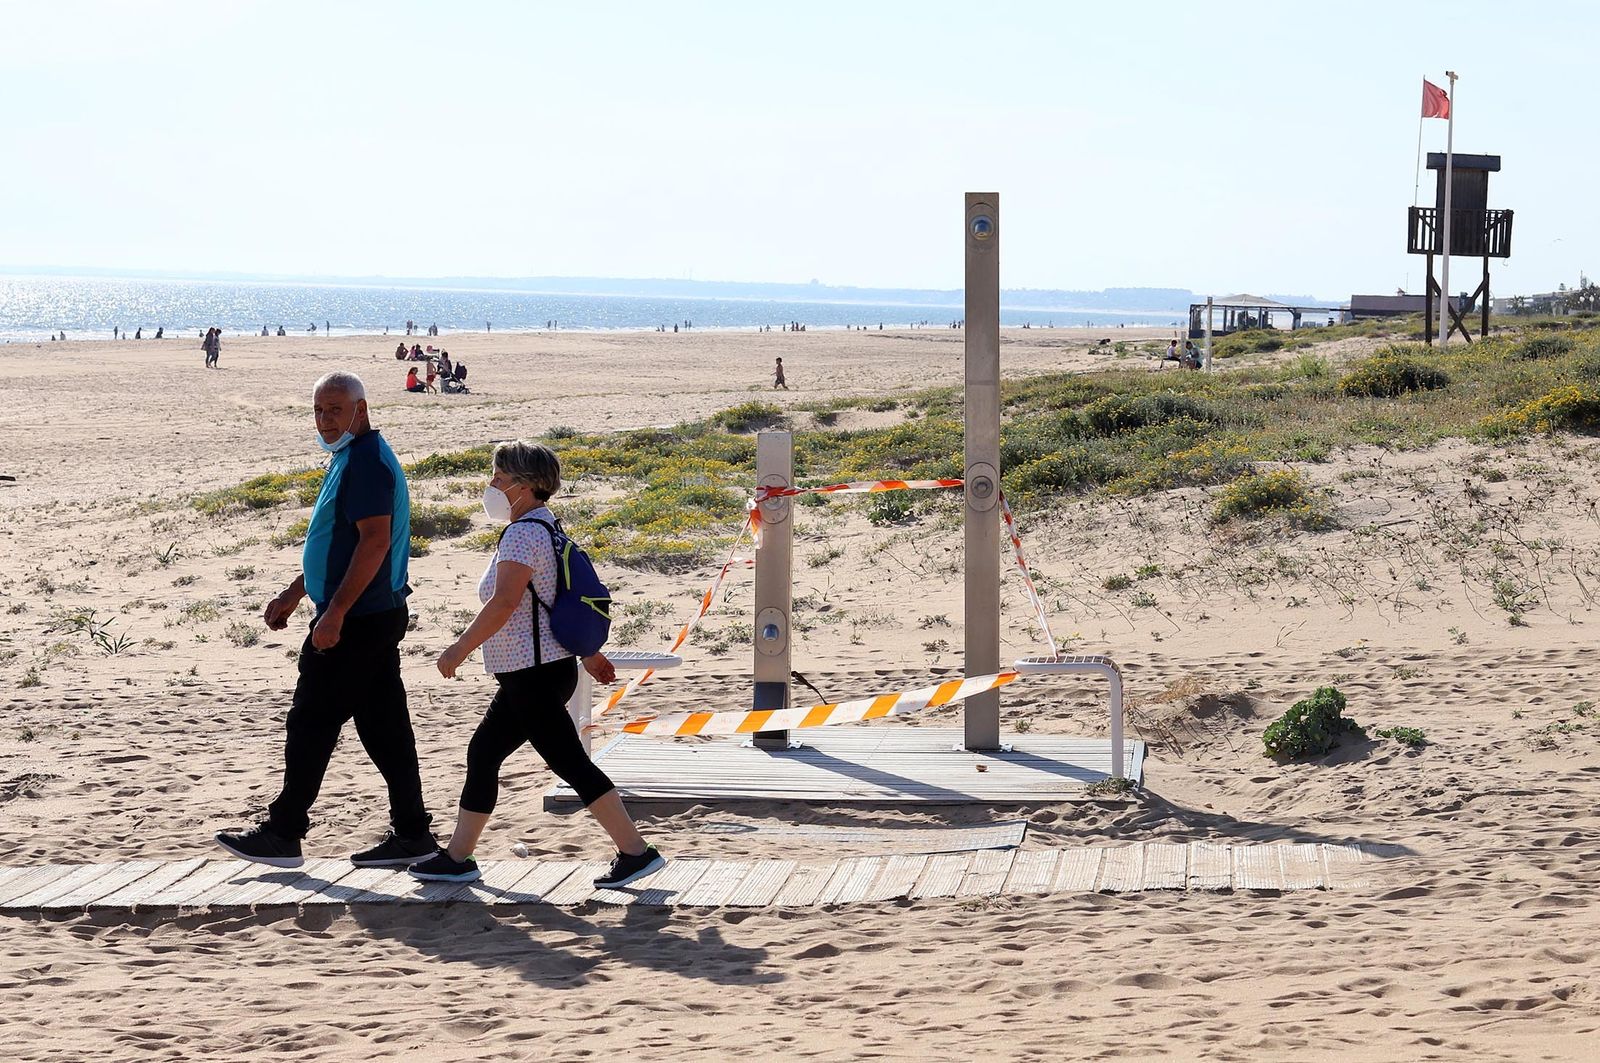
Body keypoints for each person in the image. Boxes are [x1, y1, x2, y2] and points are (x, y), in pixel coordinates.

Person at [409, 442, 664, 888]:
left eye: (499, 478)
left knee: (569, 763)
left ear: (524, 487)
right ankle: (457, 858)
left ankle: (636, 852)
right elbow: (551, 601)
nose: (491, 485)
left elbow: (505, 603)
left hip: (534, 675)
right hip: (541, 671)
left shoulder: (524, 533)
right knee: (484, 754)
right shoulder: (546, 527)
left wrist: (459, 649)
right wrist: (588, 652)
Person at [215, 371, 435, 868]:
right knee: (385, 728)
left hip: (356, 619)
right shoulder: (349, 458)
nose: (324, 419)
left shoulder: (366, 463)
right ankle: (414, 836)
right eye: (318, 410)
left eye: (334, 409)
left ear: (361, 408)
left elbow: (374, 542)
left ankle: (285, 831)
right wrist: (298, 592)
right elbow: (334, 543)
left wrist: (334, 612)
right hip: (370, 615)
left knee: (311, 720)